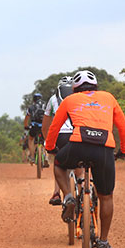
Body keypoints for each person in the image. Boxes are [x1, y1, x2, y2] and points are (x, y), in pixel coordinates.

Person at [44, 70, 125, 248]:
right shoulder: (108, 98)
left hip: (78, 145)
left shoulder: (69, 100)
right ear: (96, 86)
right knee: (106, 196)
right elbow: (122, 126)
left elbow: (55, 127)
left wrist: (50, 147)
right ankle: (103, 241)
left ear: (75, 89)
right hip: (104, 148)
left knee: (59, 164)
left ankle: (68, 196)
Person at [43, 76, 75, 205]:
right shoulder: (80, 98)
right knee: (80, 165)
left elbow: (45, 126)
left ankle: (57, 193)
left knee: (59, 163)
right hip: (78, 134)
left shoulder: (53, 99)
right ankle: (86, 192)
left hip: (60, 136)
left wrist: (48, 142)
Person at [23, 93, 49, 165]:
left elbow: (26, 118)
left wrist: (26, 126)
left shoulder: (31, 107)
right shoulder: (45, 106)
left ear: (34, 99)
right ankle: (46, 156)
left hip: (34, 126)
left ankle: (32, 157)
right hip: (44, 126)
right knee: (46, 140)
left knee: (31, 139)